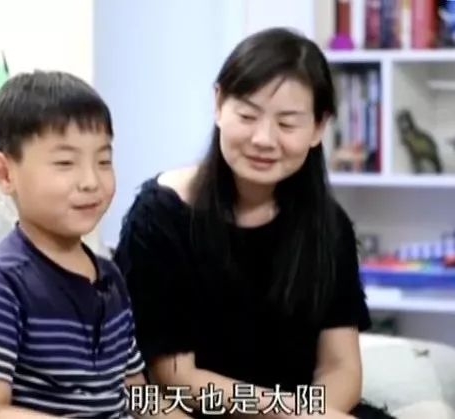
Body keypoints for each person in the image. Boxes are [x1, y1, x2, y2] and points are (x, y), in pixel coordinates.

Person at [114, 28, 380, 418]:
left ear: (319, 127)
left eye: (287, 124)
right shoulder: (160, 218)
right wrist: (288, 413)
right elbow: (174, 377)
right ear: (218, 104)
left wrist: (313, 415)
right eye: (247, 116)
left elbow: (340, 368)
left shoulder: (327, 225)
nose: (263, 139)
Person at [0, 71, 189, 419]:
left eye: (103, 161)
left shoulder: (110, 278)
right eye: (65, 163)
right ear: (5, 174)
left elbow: (135, 393)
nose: (91, 181)